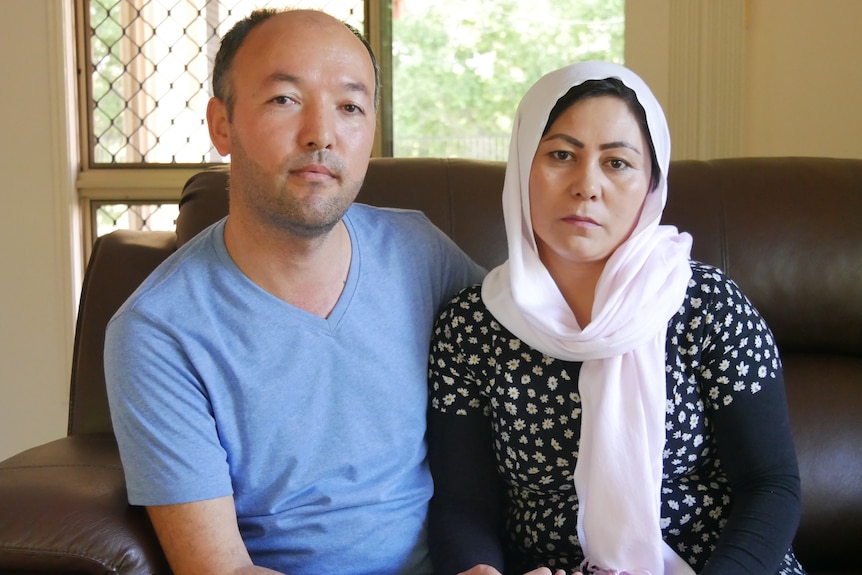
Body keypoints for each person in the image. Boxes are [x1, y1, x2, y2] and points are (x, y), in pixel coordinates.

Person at [104, 8, 485, 575]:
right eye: (285, 99)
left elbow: (531, 358)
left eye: (350, 107)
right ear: (221, 125)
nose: (321, 134)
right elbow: (222, 570)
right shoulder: (158, 332)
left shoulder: (419, 253)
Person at [426, 61, 806, 575]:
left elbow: (771, 483)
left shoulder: (706, 305)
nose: (587, 186)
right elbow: (463, 503)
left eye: (618, 163)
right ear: (521, 167)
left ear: (651, 181)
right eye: (561, 155)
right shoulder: (470, 327)